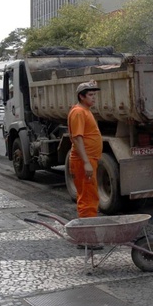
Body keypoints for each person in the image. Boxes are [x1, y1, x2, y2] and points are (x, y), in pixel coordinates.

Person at [67, 80, 102, 219]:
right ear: (82, 96)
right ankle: (88, 229)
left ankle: (89, 226)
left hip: (89, 159)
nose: (94, 97)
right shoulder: (79, 112)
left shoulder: (84, 111)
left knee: (90, 194)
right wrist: (86, 162)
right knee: (87, 196)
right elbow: (77, 138)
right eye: (91, 95)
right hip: (83, 161)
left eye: (94, 94)